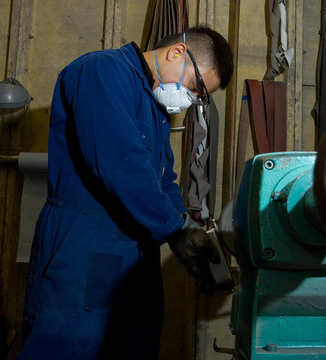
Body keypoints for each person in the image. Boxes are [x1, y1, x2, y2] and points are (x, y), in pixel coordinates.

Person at [17, 26, 234, 359]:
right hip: (83, 244)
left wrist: (187, 228)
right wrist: (176, 231)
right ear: (178, 52)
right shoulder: (102, 72)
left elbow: (162, 181)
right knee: (66, 346)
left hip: (135, 255)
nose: (191, 100)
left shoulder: (154, 107)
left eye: (199, 98)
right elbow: (120, 166)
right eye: (196, 88)